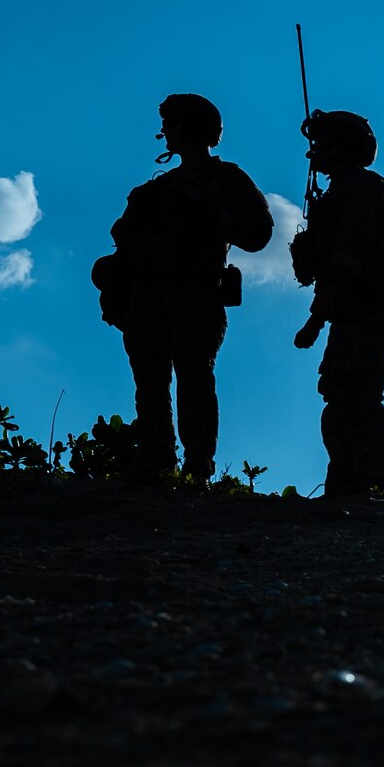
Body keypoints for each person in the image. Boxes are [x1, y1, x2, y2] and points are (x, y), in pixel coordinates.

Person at [105, 93, 273, 481]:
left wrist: (212, 211)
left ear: (197, 128)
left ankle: (198, 467)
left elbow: (258, 234)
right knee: (149, 384)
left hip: (197, 293)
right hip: (147, 295)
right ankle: (156, 466)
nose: (166, 130)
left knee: (194, 378)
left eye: (176, 122)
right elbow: (123, 239)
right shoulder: (153, 191)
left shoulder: (226, 179)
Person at [288, 109, 384, 497]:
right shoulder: (350, 190)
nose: (313, 153)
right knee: (341, 395)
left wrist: (315, 320)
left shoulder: (360, 191)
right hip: (355, 310)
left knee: (359, 396)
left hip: (366, 309)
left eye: (321, 144)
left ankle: (371, 486)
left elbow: (347, 260)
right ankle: (346, 486)